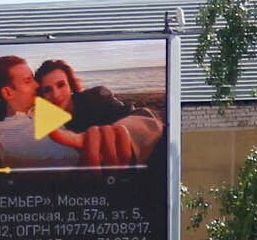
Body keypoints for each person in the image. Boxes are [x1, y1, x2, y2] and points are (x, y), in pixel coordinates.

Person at [31, 59, 165, 167]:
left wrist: (117, 134)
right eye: (47, 90)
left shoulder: (95, 98)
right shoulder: (45, 120)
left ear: (70, 85)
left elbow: (139, 116)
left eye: (61, 85)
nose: (56, 95)